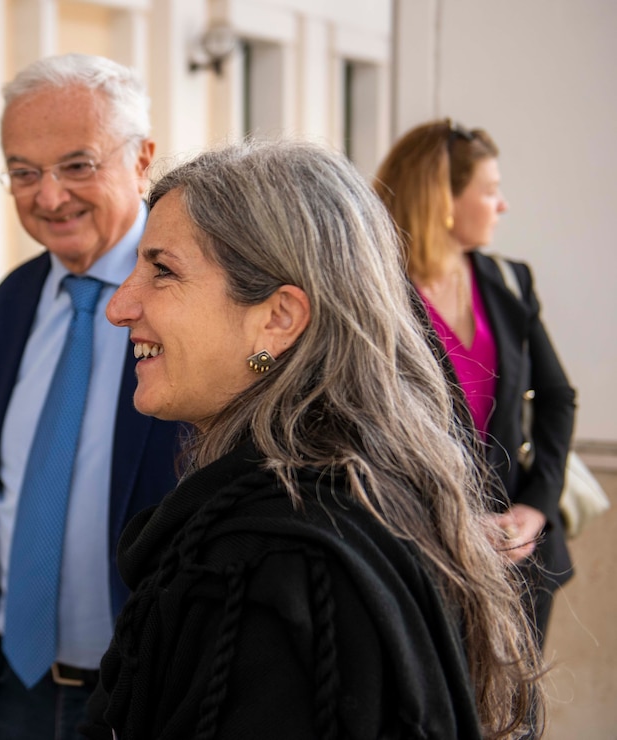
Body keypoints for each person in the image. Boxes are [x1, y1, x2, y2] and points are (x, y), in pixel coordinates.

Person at [85, 140, 541, 738]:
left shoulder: (275, 570)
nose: (120, 305)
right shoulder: (357, 493)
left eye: (162, 270)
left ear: (278, 318)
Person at [0, 54, 189, 739]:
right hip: (17, 676)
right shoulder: (7, 306)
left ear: (142, 159)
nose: (48, 197)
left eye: (76, 165)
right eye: (23, 172)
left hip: (149, 686)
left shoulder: (201, 296)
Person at [375, 120, 575, 647]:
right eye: (489, 190)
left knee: (518, 726)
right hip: (423, 561)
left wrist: (537, 507)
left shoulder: (510, 282)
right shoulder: (378, 296)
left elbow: (558, 399)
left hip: (520, 563)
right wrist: (454, 524)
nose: (502, 204)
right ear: (442, 198)